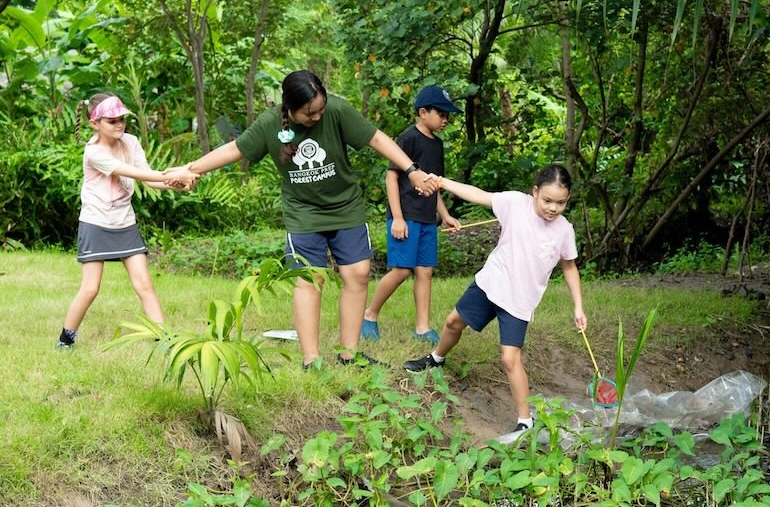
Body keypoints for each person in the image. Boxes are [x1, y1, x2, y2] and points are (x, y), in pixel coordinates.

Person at [170, 70, 438, 369]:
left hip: (345, 206)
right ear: (289, 107)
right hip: (303, 212)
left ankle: (349, 354)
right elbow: (235, 149)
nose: (317, 116)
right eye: (309, 112)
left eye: (320, 109)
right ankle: (312, 359)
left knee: (359, 273)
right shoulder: (270, 124)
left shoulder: (336, 110)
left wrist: (411, 169)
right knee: (310, 279)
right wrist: (191, 169)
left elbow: (376, 138)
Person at [403, 165, 587, 436]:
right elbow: (478, 195)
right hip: (491, 282)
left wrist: (578, 306)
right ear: (534, 192)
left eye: (560, 203)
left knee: (510, 358)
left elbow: (570, 268)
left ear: (567, 200)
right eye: (547, 200)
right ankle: (436, 358)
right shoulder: (515, 203)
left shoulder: (564, 231)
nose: (552, 208)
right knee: (453, 322)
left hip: (520, 301)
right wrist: (443, 182)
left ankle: (525, 420)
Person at [58, 93, 199, 348]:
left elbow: (146, 178)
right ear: (95, 123)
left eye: (122, 119)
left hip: (125, 222)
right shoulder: (94, 152)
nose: (119, 125)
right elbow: (128, 171)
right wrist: (174, 173)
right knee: (90, 288)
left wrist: (176, 184)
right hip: (96, 222)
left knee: (144, 283)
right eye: (112, 121)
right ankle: (66, 339)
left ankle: (164, 339)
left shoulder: (131, 142)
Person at [360, 85, 462, 343]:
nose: (445, 120)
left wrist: (445, 215)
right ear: (423, 112)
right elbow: (391, 179)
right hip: (405, 218)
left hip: (428, 219)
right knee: (402, 270)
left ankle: (422, 327)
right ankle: (369, 315)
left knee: (425, 271)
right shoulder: (408, 138)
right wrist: (397, 218)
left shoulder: (437, 146)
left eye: (448, 116)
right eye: (441, 114)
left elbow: (434, 184)